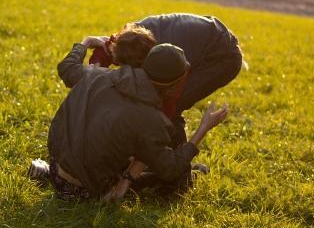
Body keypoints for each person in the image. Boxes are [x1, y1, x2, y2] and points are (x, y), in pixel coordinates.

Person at [34, 37, 228, 201]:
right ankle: (191, 173)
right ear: (175, 84)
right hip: (83, 191)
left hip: (56, 167)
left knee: (133, 146)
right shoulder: (152, 119)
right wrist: (203, 129)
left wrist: (85, 42)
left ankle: (46, 173)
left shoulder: (97, 74)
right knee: (162, 173)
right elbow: (170, 168)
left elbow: (67, 69)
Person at [86, 13, 247, 146]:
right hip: (205, 36)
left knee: (167, 107)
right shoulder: (132, 38)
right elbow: (104, 51)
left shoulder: (170, 58)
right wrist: (95, 75)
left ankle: (178, 171)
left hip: (223, 56)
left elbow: (169, 104)